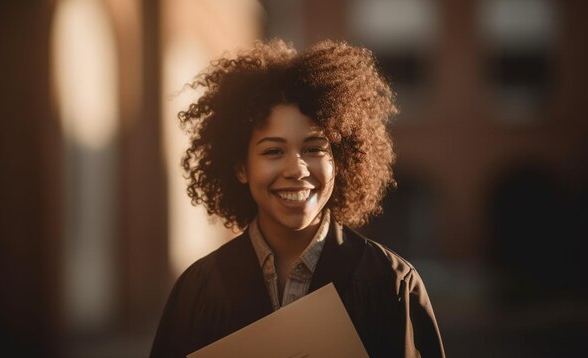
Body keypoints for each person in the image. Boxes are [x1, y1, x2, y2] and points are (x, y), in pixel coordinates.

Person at [150, 39, 445, 357]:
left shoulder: (391, 284)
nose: (296, 169)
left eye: (314, 148)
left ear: (339, 160)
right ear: (240, 167)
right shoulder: (199, 291)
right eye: (273, 151)